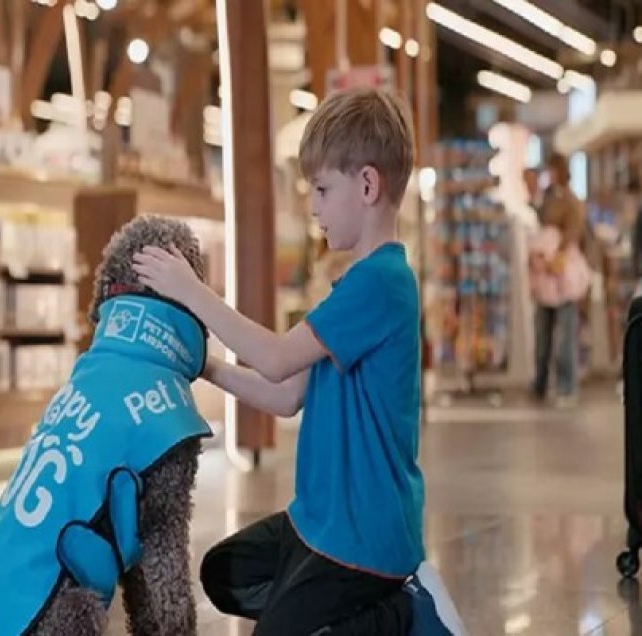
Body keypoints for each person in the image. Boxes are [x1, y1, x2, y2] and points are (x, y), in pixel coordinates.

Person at [133, 87, 428, 634]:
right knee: (224, 574)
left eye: (321, 189)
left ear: (367, 185)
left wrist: (191, 290)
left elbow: (274, 359)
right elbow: (287, 395)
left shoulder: (382, 284)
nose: (312, 206)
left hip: (364, 537)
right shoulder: (355, 284)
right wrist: (205, 367)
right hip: (319, 521)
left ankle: (396, 616)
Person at [530, 153, 587, 408]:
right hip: (546, 272)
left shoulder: (570, 201)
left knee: (565, 336)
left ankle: (566, 385)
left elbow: (574, 231)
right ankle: (541, 382)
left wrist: (558, 253)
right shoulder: (547, 198)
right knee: (543, 334)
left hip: (561, 271)